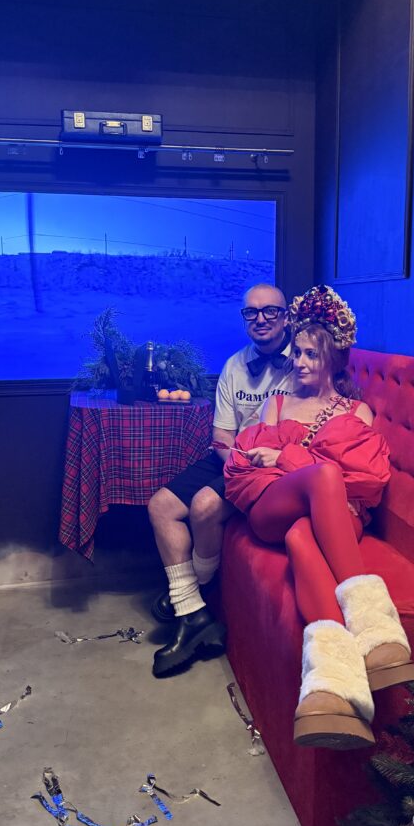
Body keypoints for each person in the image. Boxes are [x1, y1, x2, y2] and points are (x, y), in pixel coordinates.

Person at [224, 284, 414, 751]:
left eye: (311, 354)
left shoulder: (357, 411)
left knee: (301, 534)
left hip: (335, 514)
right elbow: (247, 464)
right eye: (297, 353)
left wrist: (286, 457)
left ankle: (332, 686)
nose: (299, 362)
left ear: (333, 358)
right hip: (272, 506)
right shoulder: (276, 404)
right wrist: (303, 466)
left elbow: (366, 480)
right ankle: (372, 626)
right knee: (324, 478)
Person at [149, 283, 293, 677]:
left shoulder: (303, 362)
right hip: (234, 458)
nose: (260, 319)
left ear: (286, 317)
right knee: (160, 506)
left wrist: (259, 466)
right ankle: (194, 613)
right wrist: (236, 464)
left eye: (270, 311)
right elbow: (222, 435)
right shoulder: (234, 365)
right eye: (251, 312)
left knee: (205, 504)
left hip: (275, 467)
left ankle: (191, 593)